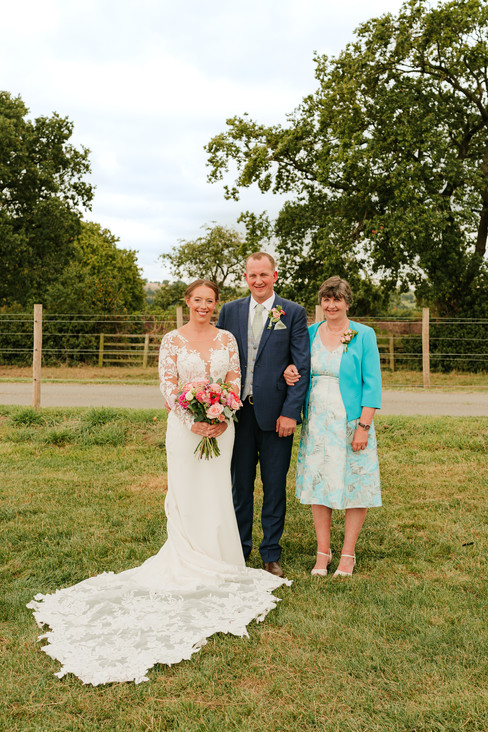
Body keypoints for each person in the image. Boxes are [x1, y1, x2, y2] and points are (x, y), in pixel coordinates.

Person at [27, 280, 289, 686]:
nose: (204, 306)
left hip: (223, 429)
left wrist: (222, 416)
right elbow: (168, 387)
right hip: (184, 429)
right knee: (187, 491)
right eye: (198, 300)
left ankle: (220, 558)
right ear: (187, 302)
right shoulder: (172, 340)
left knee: (218, 493)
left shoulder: (227, 339)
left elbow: (234, 382)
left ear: (216, 305)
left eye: (210, 301)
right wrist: (193, 420)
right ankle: (186, 555)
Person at [217, 253, 310, 578]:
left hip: (276, 418)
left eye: (264, 275)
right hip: (238, 415)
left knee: (274, 486)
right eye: (252, 275)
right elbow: (219, 356)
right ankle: (239, 550)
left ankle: (271, 553)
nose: (258, 281)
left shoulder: (293, 312)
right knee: (240, 486)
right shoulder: (230, 311)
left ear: (274, 276)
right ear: (245, 277)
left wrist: (290, 413)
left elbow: (301, 365)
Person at [284, 276, 381, 577]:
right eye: (326, 299)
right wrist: (289, 371)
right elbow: (296, 366)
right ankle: (322, 553)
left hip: (350, 420)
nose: (331, 305)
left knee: (355, 485)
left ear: (347, 302)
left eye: (337, 299)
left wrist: (363, 426)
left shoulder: (363, 335)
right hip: (317, 422)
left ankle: (348, 555)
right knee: (318, 484)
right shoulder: (309, 332)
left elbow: (372, 383)